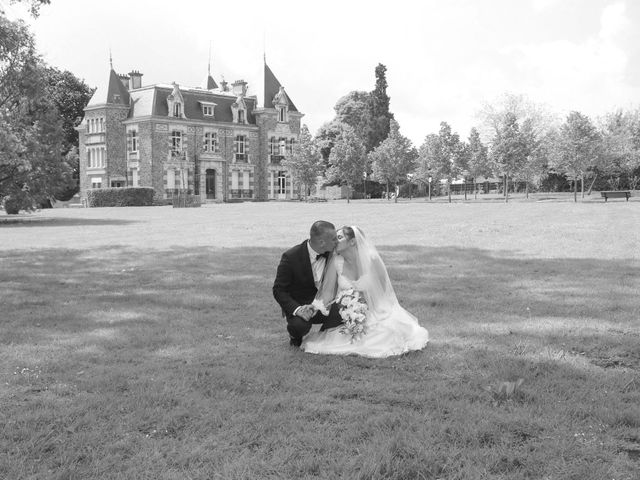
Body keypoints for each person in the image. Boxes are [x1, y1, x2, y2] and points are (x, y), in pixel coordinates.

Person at [301, 226, 429, 358]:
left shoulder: (371, 259)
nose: (335, 242)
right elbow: (327, 292)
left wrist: (362, 306)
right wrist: (318, 307)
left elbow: (382, 290)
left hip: (376, 309)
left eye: (339, 238)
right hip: (347, 313)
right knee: (341, 337)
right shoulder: (336, 261)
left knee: (386, 333)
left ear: (352, 241)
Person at [273, 220, 343, 347]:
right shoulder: (290, 257)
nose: (337, 242)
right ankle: (295, 337)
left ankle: (324, 337)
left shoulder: (335, 254)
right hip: (302, 306)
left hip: (325, 304)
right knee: (298, 326)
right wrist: (298, 309)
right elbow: (279, 290)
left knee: (344, 311)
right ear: (322, 242)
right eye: (334, 239)